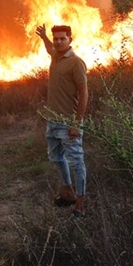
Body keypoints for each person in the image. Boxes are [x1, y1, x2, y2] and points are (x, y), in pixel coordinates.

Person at [35, 24, 89, 218]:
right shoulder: (56, 56)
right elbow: (50, 48)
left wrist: (77, 122)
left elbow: (84, 93)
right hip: (52, 121)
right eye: (56, 38)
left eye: (62, 39)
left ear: (70, 40)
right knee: (56, 157)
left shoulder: (76, 63)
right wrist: (43, 37)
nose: (58, 42)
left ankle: (80, 205)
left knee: (77, 163)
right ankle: (68, 192)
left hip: (68, 122)